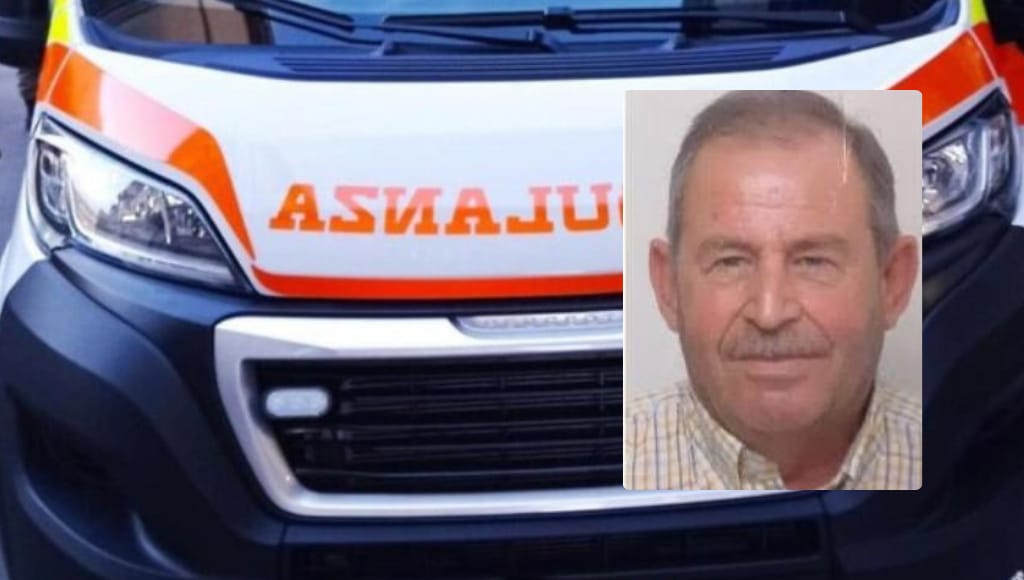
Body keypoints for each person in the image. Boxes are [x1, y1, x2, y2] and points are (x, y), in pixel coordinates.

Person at [625, 90, 921, 491]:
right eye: (731, 262)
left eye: (813, 262)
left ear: (892, 282)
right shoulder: (608, 467)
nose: (769, 312)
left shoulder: (971, 466)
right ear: (669, 287)